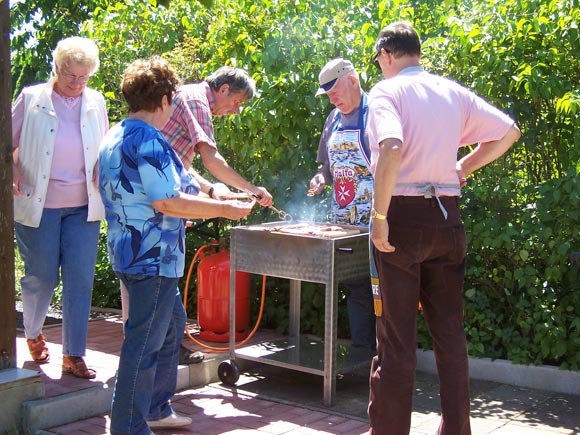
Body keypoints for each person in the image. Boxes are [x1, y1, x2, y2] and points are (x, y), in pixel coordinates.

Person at [366, 21, 521, 435]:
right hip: (448, 218)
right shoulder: (452, 92)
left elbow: (392, 147)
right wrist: (463, 166)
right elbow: (509, 132)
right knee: (450, 335)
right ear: (417, 51)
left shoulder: (387, 91)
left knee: (397, 341)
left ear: (386, 55)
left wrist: (379, 219)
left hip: (401, 218)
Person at [99, 56, 254, 434]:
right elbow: (168, 201)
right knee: (142, 347)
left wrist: (219, 193)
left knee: (167, 328)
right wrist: (225, 210)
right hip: (152, 258)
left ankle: (152, 410)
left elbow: (177, 178)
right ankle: (130, 427)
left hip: (128, 252)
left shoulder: (116, 134)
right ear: (166, 98)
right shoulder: (149, 139)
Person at [119, 65, 274, 365]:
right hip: (153, 209)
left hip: (147, 205)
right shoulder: (197, 99)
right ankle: (148, 359)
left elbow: (181, 165)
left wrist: (213, 191)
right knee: (151, 282)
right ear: (224, 88)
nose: (236, 110)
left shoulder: (187, 99)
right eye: (237, 101)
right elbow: (211, 158)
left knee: (154, 286)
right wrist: (251, 189)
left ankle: (158, 351)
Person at [12, 36, 108, 379]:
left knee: (80, 279)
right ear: (57, 68)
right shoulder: (31, 98)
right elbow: (6, 144)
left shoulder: (96, 101)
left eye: (84, 77)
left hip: (83, 206)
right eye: (71, 76)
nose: (77, 84)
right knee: (42, 277)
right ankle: (33, 330)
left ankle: (73, 354)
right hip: (40, 204)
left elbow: (104, 146)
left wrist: (103, 164)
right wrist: (11, 169)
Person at [308, 58, 376, 359]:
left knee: (383, 291)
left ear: (352, 80)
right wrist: (321, 177)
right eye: (328, 95)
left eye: (334, 91)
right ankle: (363, 355)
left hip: (378, 222)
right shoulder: (333, 119)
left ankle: (386, 359)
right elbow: (327, 166)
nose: (333, 99)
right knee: (356, 287)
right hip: (344, 223)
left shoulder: (376, 113)